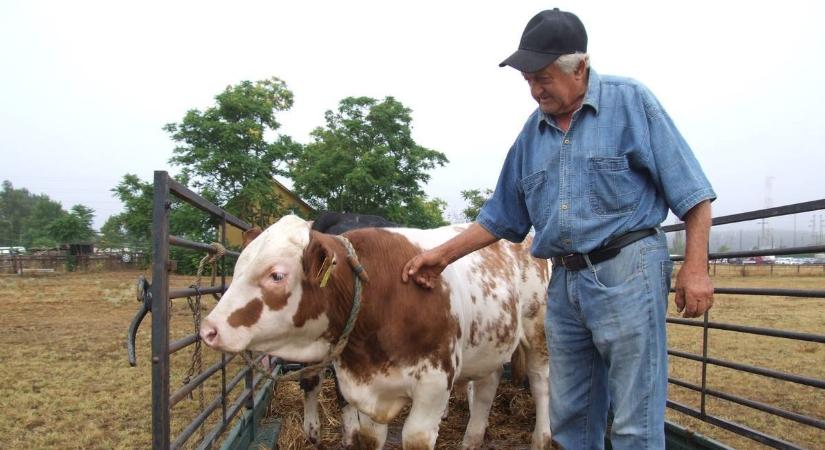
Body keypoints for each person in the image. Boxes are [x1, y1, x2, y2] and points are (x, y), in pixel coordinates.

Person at [401, 8, 716, 450]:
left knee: (633, 419)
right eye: (528, 79)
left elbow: (693, 193)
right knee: (570, 418)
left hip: (628, 270)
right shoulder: (533, 134)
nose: (534, 89)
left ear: (579, 67)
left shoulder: (630, 102)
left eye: (543, 78)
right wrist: (442, 255)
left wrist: (696, 268)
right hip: (564, 281)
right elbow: (500, 216)